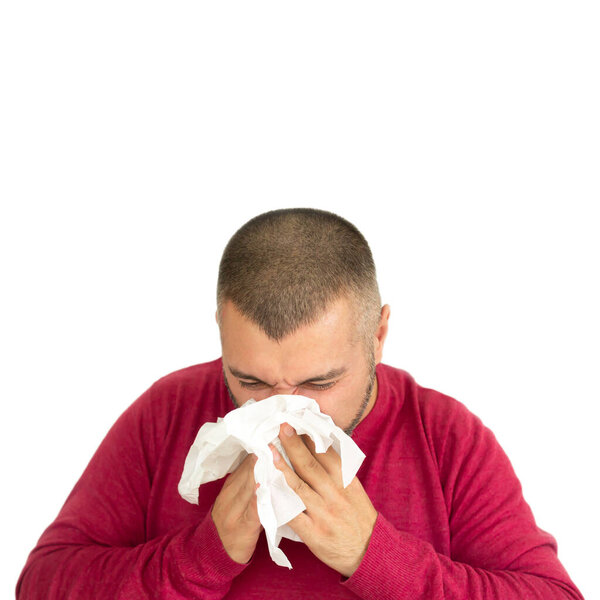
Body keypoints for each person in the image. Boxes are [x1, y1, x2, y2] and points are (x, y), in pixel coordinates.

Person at [17, 208, 583, 599]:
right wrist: (203, 555)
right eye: (251, 382)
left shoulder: (446, 437)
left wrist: (374, 556)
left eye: (319, 383)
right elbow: (41, 584)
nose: (284, 416)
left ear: (378, 335)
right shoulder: (167, 413)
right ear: (220, 333)